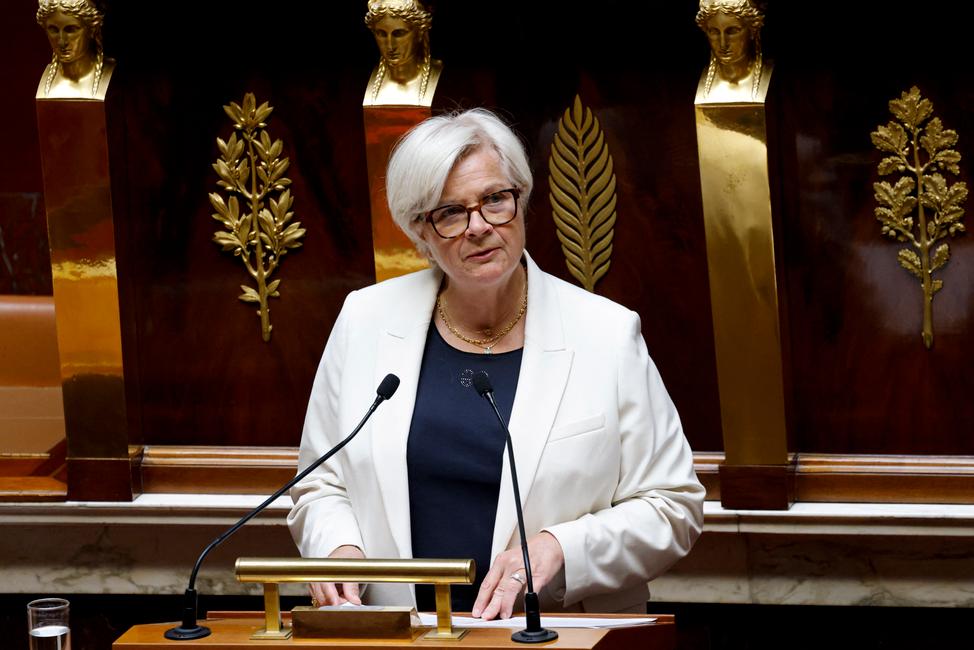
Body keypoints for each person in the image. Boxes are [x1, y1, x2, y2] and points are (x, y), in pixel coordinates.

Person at [288, 109, 705, 619]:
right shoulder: (365, 319)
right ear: (419, 229)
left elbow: (672, 505)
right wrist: (339, 551)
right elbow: (320, 483)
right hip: (405, 636)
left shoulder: (607, 333)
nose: (480, 227)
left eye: (494, 200)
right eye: (450, 212)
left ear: (520, 200)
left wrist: (559, 548)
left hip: (556, 631)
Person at [363, 0, 442, 107]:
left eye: (399, 34)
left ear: (420, 32)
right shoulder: (357, 83)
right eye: (381, 34)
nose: (390, 45)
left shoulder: (444, 78)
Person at [35, 0, 115, 100]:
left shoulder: (111, 75)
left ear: (92, 29)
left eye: (71, 29)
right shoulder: (46, 82)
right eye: (53, 29)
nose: (61, 42)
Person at [695, 0, 769, 103]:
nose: (723, 44)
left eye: (732, 31)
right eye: (714, 32)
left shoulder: (773, 78)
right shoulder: (699, 82)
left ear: (753, 30)